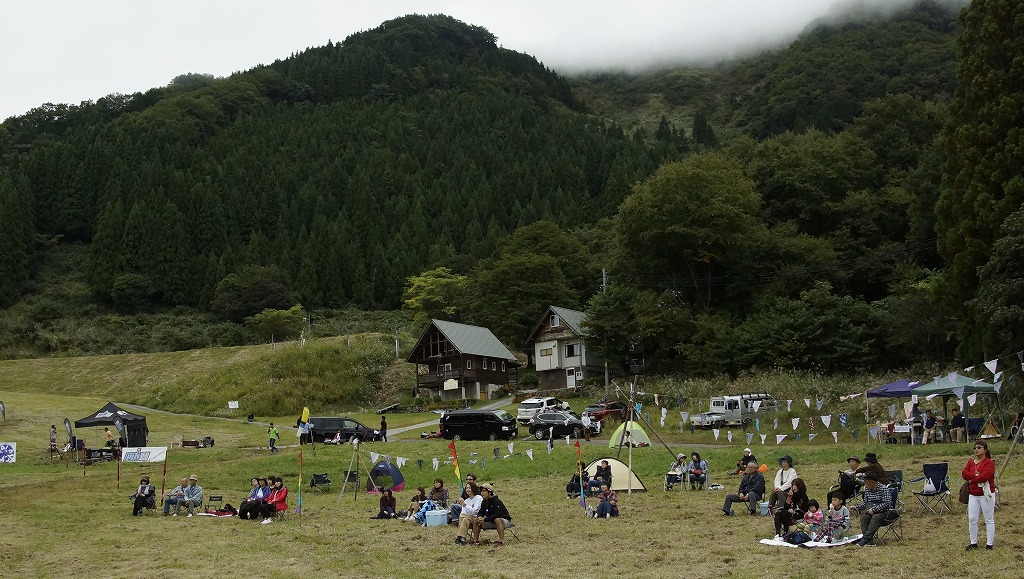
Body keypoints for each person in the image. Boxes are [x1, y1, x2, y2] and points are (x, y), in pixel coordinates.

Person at [962, 440, 996, 550]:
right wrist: (975, 475)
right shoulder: (971, 462)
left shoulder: (989, 462)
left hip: (986, 494)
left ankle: (989, 544)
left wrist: (972, 479)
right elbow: (964, 474)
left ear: (985, 450)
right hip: (973, 494)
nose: (976, 449)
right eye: (975, 448)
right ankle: (973, 543)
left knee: (988, 519)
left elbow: (985, 476)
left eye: (979, 447)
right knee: (972, 519)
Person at [853, 471, 896, 547]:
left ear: (872, 482)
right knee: (864, 518)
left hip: (887, 513)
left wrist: (874, 510)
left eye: (865, 481)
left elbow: (887, 504)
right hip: (872, 512)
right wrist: (856, 507)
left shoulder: (884, 489)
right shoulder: (867, 489)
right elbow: (865, 504)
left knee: (876, 517)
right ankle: (870, 541)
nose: (864, 483)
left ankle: (865, 539)